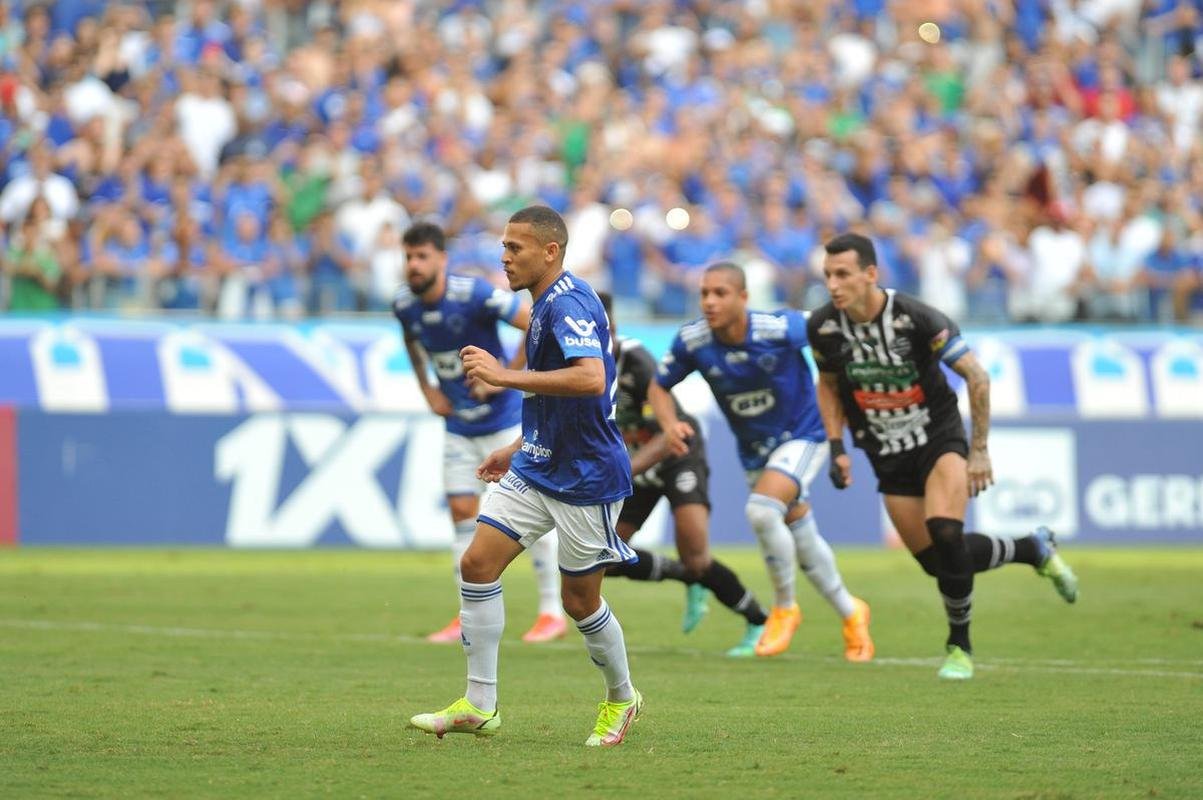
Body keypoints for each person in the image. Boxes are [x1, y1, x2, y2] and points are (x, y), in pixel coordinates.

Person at [410, 206, 642, 747]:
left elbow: (589, 378)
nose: (504, 256)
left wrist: (502, 375)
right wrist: (515, 447)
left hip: (587, 477)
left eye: (515, 247)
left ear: (550, 251)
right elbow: (552, 395)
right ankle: (479, 703)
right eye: (504, 246)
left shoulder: (571, 302)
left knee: (580, 602)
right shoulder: (540, 306)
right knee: (477, 561)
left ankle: (621, 697)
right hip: (538, 464)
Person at [809, 232, 1079, 681]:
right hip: (886, 452)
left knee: (946, 531)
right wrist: (837, 447)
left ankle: (959, 646)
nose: (833, 284)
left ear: (870, 274)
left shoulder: (916, 318)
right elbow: (830, 385)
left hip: (938, 438)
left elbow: (976, 376)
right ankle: (1032, 548)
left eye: (843, 274)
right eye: (828, 275)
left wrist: (978, 452)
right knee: (936, 561)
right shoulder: (823, 327)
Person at [650, 262, 875, 661]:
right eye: (704, 293)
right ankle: (851, 611)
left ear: (744, 298)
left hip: (804, 433)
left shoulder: (779, 328)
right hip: (754, 448)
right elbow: (659, 385)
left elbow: (830, 330)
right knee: (798, 529)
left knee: (761, 511)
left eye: (720, 293)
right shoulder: (694, 340)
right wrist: (668, 425)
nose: (710, 301)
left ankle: (784, 607)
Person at [393, 221, 565, 645]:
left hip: (503, 425)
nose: (413, 265)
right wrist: (427, 389)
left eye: (422, 257)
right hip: (457, 429)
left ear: (441, 259)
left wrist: (505, 376)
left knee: (532, 518)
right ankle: (466, 616)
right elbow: (412, 343)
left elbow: (535, 323)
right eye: (408, 257)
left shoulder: (473, 294)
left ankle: (550, 612)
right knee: (461, 522)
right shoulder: (403, 304)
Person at [598, 291, 770, 657]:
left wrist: (623, 471)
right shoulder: (577, 365)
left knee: (698, 557)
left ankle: (759, 620)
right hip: (638, 460)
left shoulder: (636, 361)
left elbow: (667, 433)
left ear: (610, 327)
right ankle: (686, 577)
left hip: (676, 454)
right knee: (603, 557)